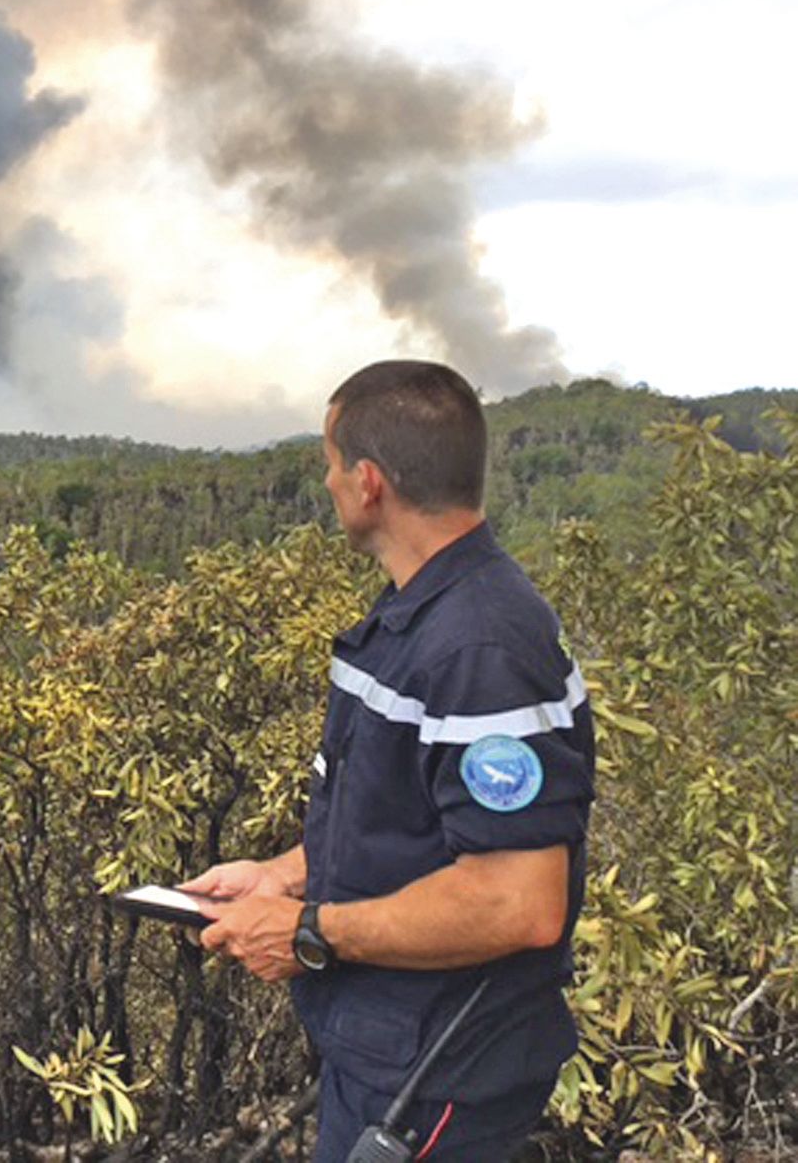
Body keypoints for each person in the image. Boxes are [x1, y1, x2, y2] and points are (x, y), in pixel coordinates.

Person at [186, 362, 594, 1162]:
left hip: (442, 1074)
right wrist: (286, 874)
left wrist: (309, 932)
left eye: (333, 463)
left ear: (368, 482)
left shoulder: (481, 646)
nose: (329, 481)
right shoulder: (419, 613)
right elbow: (406, 820)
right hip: (388, 1052)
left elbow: (517, 901)